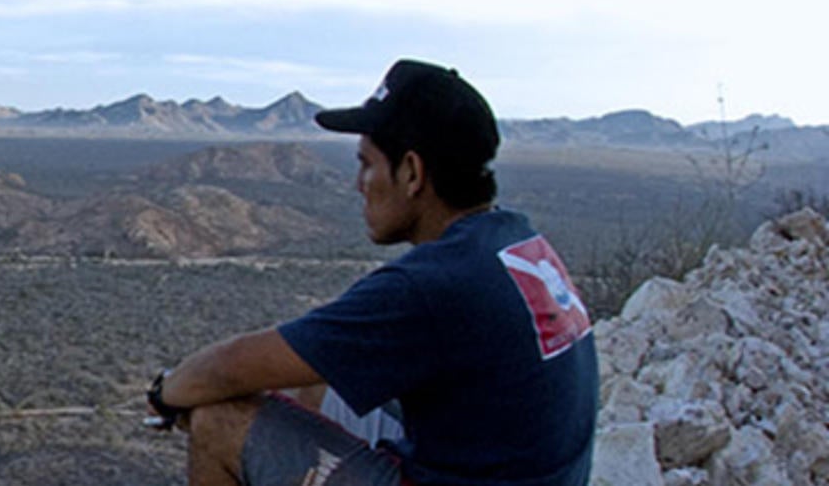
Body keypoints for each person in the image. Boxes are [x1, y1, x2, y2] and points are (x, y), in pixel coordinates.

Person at [146, 59, 598, 485]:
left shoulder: (432, 283)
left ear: (412, 172)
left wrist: (167, 393)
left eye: (366, 164)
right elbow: (300, 351)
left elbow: (228, 369)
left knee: (218, 421)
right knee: (320, 368)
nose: (357, 184)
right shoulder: (513, 239)